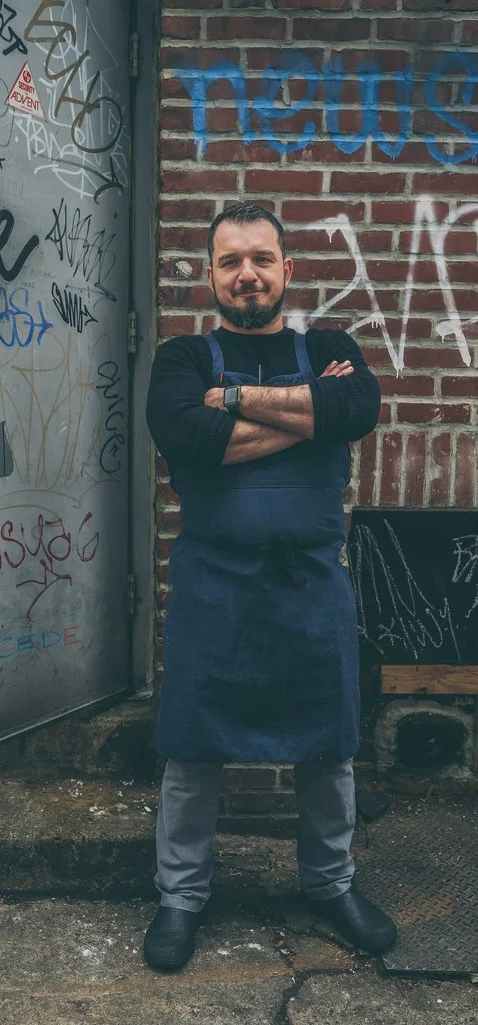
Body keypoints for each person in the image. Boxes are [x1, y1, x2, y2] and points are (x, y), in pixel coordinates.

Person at [143, 201, 396, 971]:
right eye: (230, 261)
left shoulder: (328, 345)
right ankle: (180, 895)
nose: (247, 273)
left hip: (312, 589)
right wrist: (306, 414)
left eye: (261, 258)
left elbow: (358, 407)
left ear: (287, 270)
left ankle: (330, 882)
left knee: (330, 746)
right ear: (211, 276)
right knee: (191, 749)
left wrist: (235, 405)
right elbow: (182, 432)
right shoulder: (183, 362)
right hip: (213, 591)